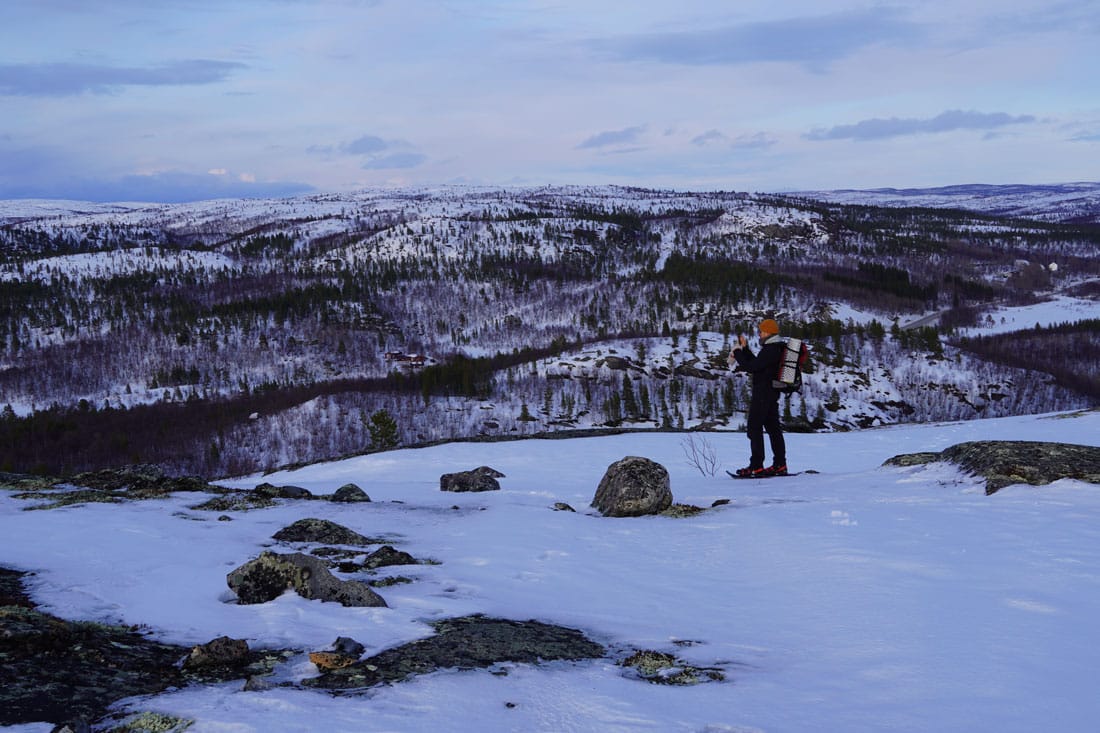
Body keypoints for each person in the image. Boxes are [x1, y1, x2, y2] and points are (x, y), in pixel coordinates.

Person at [728, 318, 788, 477]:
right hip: (771, 393)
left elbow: (751, 367)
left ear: (768, 332)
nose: (759, 334)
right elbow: (758, 364)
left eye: (761, 331)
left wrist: (738, 352)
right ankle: (780, 465)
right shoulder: (775, 348)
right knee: (773, 429)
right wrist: (745, 349)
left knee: (754, 428)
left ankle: (756, 466)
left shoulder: (771, 349)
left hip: (763, 394)